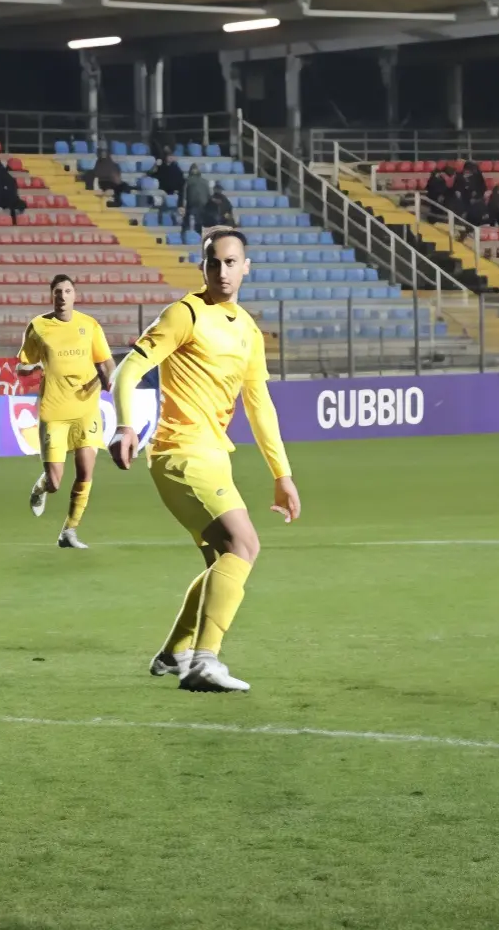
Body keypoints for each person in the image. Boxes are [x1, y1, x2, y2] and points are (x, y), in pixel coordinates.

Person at [109, 229, 300, 693]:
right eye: (214, 263)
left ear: (246, 266)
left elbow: (260, 406)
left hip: (214, 457)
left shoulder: (248, 331)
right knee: (245, 545)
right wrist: (125, 425)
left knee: (223, 559)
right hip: (180, 453)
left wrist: (282, 474)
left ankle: (176, 651)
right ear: (203, 267)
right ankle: (203, 662)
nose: (223, 271)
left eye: (231, 262)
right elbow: (128, 370)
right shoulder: (185, 314)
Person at [17, 275, 113, 549]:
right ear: (52, 295)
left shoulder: (89, 325)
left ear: (74, 295)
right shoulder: (38, 327)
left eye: (67, 291)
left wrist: (109, 381)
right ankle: (41, 487)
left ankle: (69, 531)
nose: (62, 296)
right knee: (56, 481)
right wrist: (33, 369)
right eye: (58, 291)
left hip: (86, 409)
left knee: (85, 472)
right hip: (54, 410)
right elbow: (21, 366)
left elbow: (106, 362)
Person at [181, 164, 211, 233]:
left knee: (192, 222)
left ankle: (190, 233)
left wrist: (183, 206)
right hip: (201, 204)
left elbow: (184, 195)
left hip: (194, 204)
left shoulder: (188, 181)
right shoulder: (204, 181)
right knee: (199, 222)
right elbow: (209, 194)